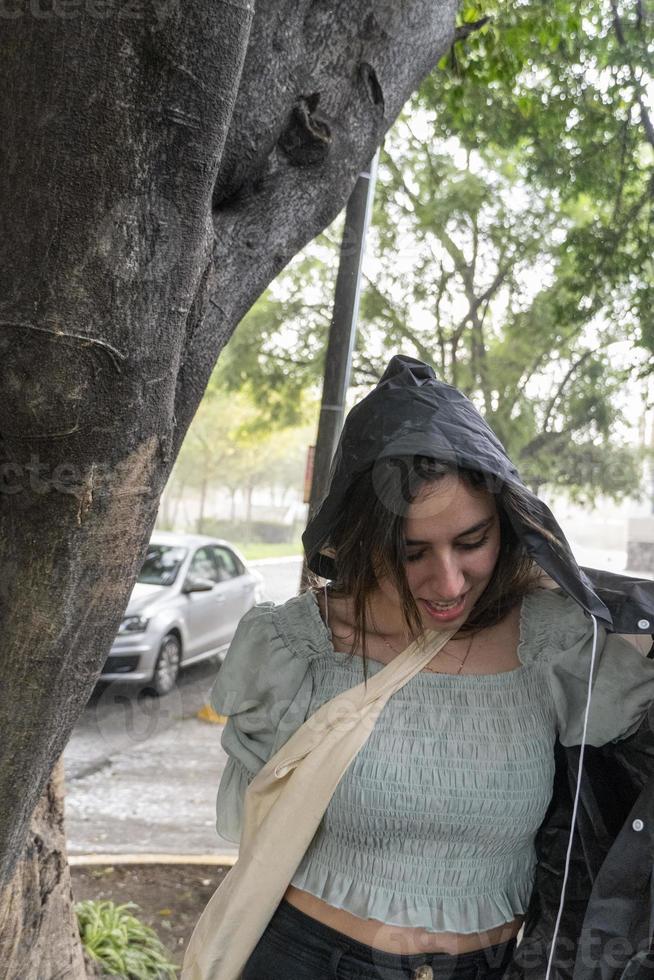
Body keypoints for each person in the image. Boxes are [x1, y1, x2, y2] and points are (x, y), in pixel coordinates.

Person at [209, 355, 654, 980]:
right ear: (363, 540)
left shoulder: (556, 644)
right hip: (308, 959)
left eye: (472, 542)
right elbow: (247, 828)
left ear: (509, 526)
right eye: (411, 552)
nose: (448, 582)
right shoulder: (296, 647)